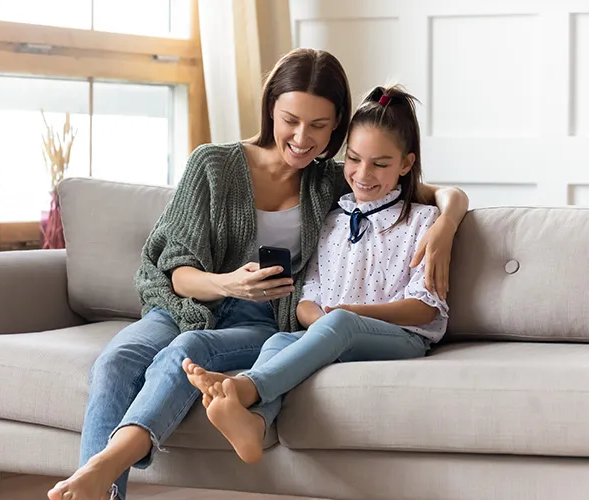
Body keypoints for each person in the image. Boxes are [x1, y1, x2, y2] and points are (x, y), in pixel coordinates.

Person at [48, 48, 468, 500]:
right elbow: (177, 274)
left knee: (185, 355)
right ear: (271, 108)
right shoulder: (213, 164)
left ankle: (104, 474)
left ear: (338, 127)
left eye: (320, 126)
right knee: (115, 362)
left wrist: (445, 223)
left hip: (261, 322)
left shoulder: (335, 179)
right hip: (189, 305)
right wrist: (228, 283)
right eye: (291, 119)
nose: (303, 138)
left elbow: (432, 190)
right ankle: (98, 484)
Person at [185, 85, 448, 464]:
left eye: (380, 163)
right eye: (354, 159)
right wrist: (317, 318)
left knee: (340, 321)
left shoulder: (423, 222)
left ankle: (244, 388)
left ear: (406, 164)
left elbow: (425, 310)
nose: (362, 174)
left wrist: (347, 316)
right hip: (334, 332)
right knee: (277, 342)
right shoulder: (332, 220)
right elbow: (310, 292)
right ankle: (254, 426)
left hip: (401, 340)